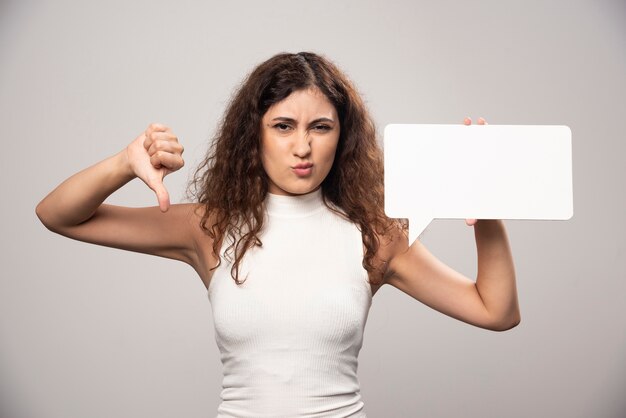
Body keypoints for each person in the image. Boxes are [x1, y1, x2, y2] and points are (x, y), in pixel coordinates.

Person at [36, 51, 520, 417]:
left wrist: (489, 210)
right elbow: (59, 214)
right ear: (255, 134)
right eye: (284, 126)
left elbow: (495, 311)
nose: (303, 146)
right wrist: (124, 162)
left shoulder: (375, 236)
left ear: (343, 136)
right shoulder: (209, 227)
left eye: (321, 127)